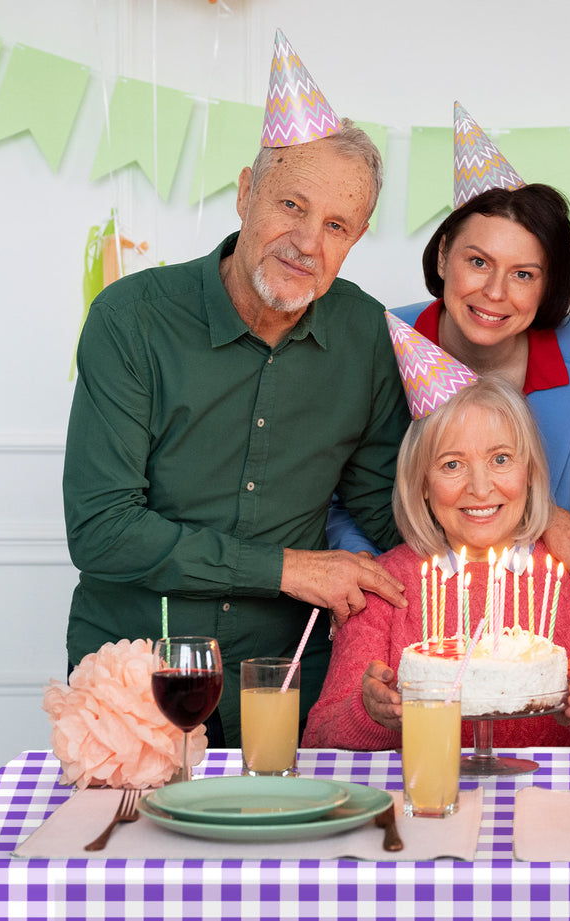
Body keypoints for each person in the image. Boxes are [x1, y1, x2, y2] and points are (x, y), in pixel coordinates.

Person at [63, 37, 410, 746]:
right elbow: (101, 530)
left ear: (357, 238)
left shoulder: (368, 336)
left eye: (336, 226)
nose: (307, 241)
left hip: (289, 684)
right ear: (247, 190)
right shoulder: (131, 319)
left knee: (304, 855)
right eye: (291, 203)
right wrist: (287, 569)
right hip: (136, 681)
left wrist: (526, 525)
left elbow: (385, 512)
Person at [328, 105, 570, 592]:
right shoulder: (377, 339)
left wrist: (568, 566)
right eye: (478, 261)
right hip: (408, 594)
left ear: (548, 284)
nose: (495, 292)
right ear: (445, 253)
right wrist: (376, 578)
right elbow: (340, 499)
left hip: (536, 596)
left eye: (523, 274)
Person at [302, 373, 570, 751]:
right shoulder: (385, 589)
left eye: (500, 459)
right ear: (422, 484)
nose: (480, 487)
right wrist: (369, 712)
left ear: (529, 473)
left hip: (552, 801)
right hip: (430, 799)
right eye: (451, 465)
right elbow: (320, 737)